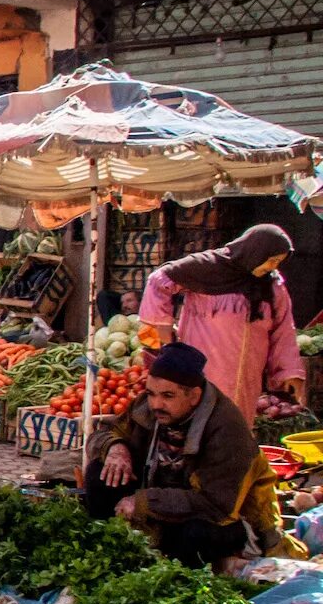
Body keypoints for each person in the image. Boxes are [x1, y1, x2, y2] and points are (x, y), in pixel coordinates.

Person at [84, 341, 283, 569]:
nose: (156, 404)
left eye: (168, 396)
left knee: (196, 534)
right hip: (163, 498)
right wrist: (115, 447)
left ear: (195, 396)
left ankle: (174, 572)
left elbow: (214, 505)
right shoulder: (147, 407)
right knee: (100, 473)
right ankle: (110, 553)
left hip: (227, 519)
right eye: (151, 394)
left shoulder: (227, 429)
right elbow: (105, 433)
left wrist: (143, 501)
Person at [139, 224, 303, 426]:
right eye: (271, 261)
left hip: (247, 376)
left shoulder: (272, 286)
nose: (272, 267)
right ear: (254, 252)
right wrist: (163, 330)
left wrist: (288, 372)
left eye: (278, 262)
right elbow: (159, 281)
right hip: (205, 368)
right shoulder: (206, 268)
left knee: (237, 429)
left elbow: (283, 331)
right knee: (201, 425)